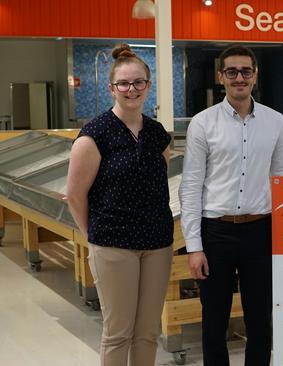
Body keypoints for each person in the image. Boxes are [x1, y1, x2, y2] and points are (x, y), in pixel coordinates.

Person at [179, 44, 283, 366]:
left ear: (255, 75)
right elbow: (190, 186)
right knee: (214, 322)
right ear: (221, 77)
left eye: (245, 71)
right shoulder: (202, 123)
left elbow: (282, 179)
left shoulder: (275, 122)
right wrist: (194, 247)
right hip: (216, 233)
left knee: (260, 321)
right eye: (231, 71)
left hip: (261, 231)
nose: (239, 77)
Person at [66, 43, 173, 366]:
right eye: (124, 84)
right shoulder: (94, 135)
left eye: (138, 82)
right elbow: (74, 195)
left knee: (147, 331)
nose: (132, 89)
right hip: (113, 244)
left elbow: (159, 180)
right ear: (112, 88)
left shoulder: (157, 134)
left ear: (148, 85)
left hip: (157, 244)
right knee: (118, 333)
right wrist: (94, 236)